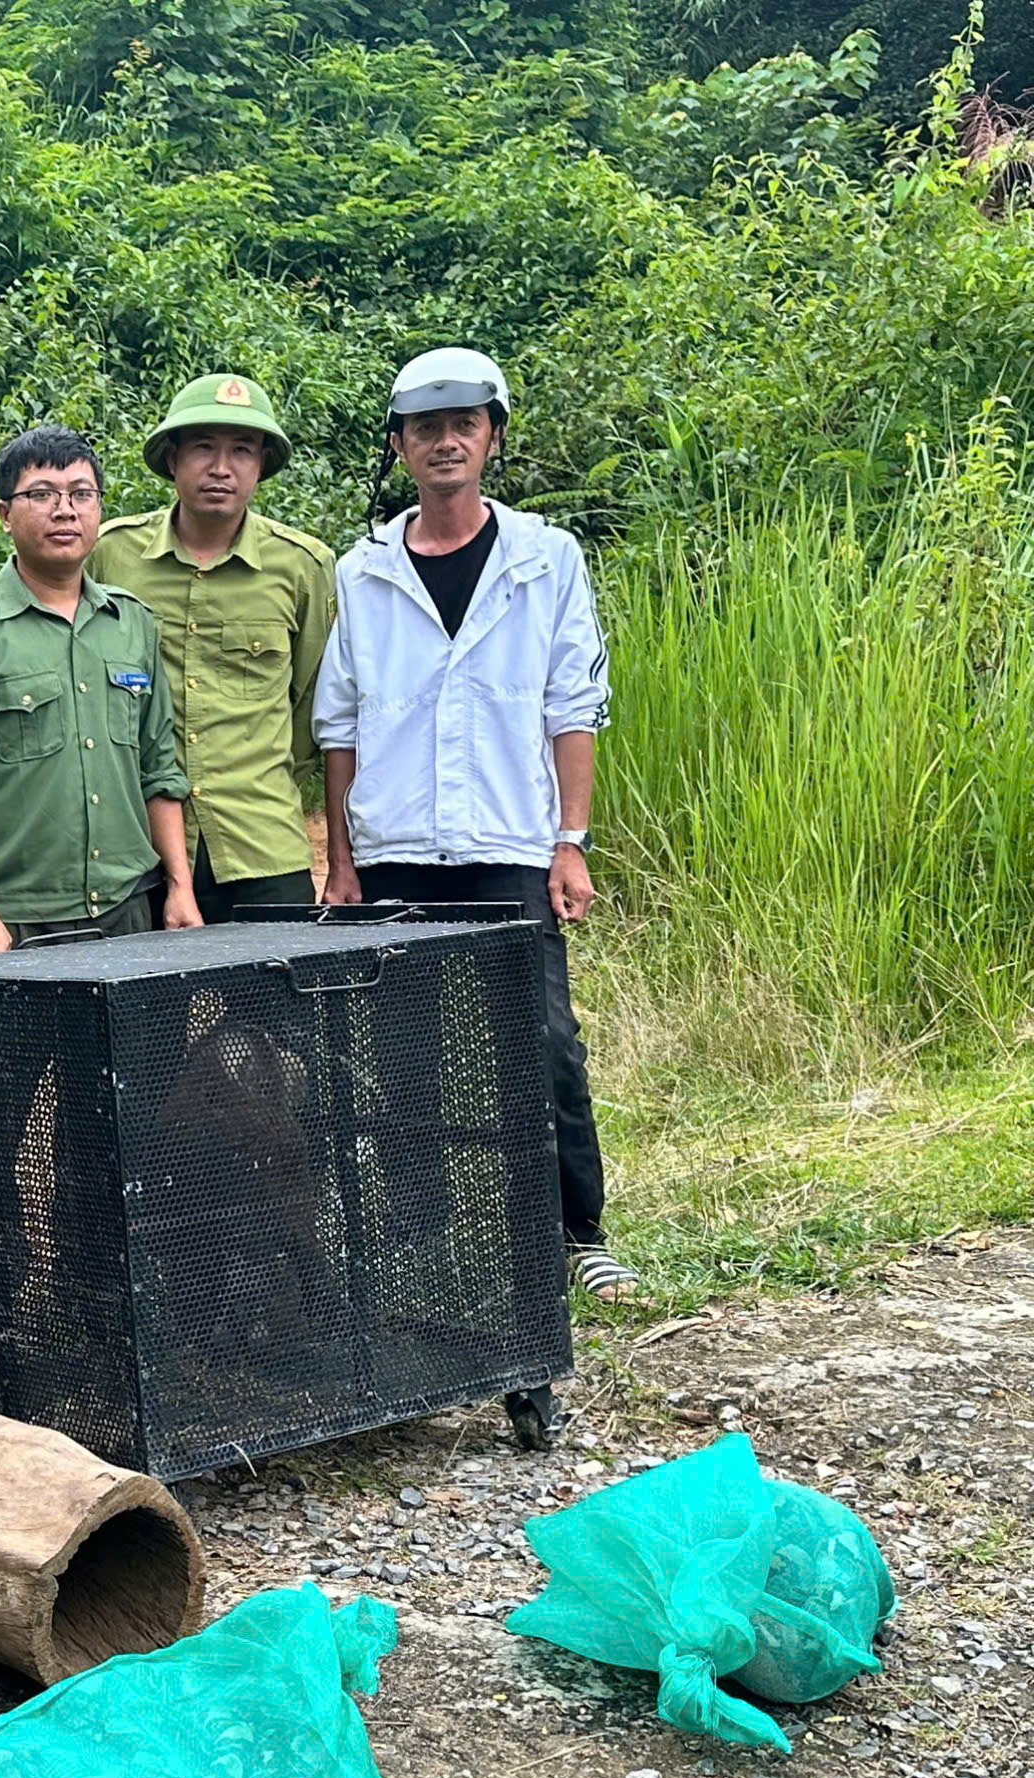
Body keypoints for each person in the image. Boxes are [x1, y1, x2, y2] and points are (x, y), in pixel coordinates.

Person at [312, 347, 637, 1302]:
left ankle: (575, 1231)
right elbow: (340, 724)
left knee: (542, 1042)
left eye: (464, 424)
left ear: (494, 437)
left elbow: (572, 705)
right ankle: (421, 1234)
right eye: (426, 428)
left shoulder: (546, 559)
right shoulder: (365, 571)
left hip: (508, 842)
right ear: (399, 446)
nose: (445, 443)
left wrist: (569, 842)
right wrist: (342, 861)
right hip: (395, 845)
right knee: (400, 1053)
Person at [0, 424, 202, 949]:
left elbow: (159, 769)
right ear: (5, 514)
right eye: (42, 495)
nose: (65, 511)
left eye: (81, 494)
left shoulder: (132, 624)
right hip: (17, 918)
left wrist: (180, 885)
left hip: (129, 905)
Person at [92, 373, 335, 921]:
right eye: (203, 447)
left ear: (261, 464)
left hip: (261, 845)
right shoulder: (111, 555)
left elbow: (310, 706)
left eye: (242, 450)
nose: (221, 467)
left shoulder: (303, 566)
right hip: (137, 850)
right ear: (173, 458)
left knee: (277, 980)